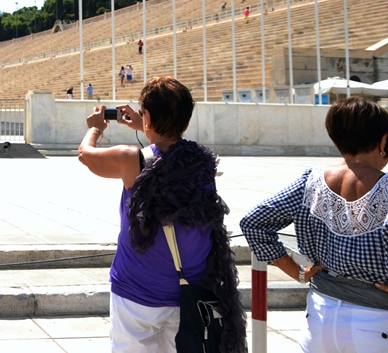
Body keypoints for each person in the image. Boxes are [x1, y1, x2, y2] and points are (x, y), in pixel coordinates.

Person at [77, 76, 245, 352]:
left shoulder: (132, 159)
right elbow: (169, 149)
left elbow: (86, 154)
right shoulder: (202, 162)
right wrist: (146, 124)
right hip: (189, 294)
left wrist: (96, 128)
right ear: (187, 122)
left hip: (136, 294)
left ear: (149, 117)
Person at [240, 98, 388, 352]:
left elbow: (253, 222)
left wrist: (295, 271)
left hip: (319, 316)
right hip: (376, 323)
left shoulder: (310, 182)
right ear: (384, 141)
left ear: (334, 139)